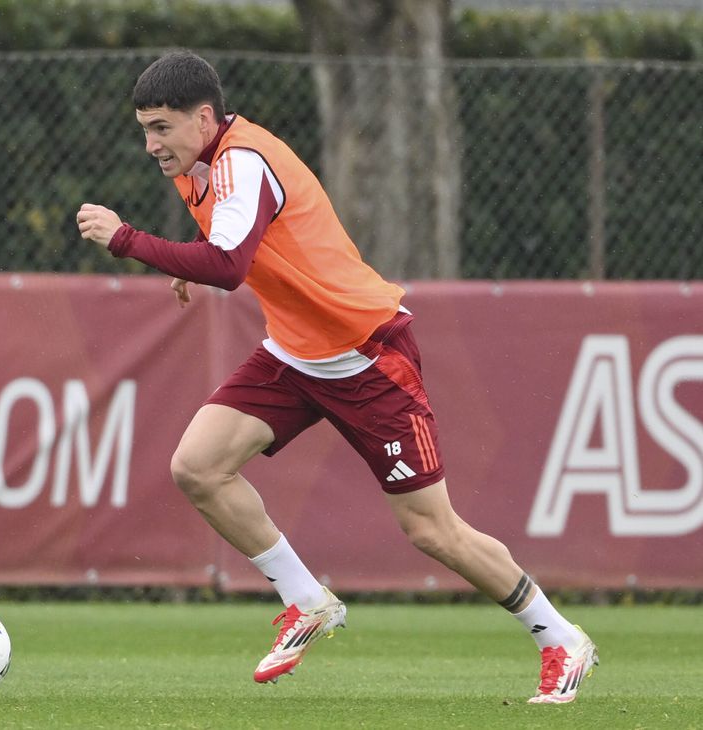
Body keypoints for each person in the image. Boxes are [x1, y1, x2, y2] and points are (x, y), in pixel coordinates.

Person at [76, 50, 597, 703]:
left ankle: (559, 638)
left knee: (431, 529)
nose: (150, 143)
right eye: (144, 128)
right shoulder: (202, 161)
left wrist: (128, 239)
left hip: (369, 353)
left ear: (204, 117)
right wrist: (193, 262)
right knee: (198, 467)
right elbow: (245, 247)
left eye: (161, 127)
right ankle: (306, 600)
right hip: (297, 353)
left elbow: (230, 265)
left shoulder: (242, 160)